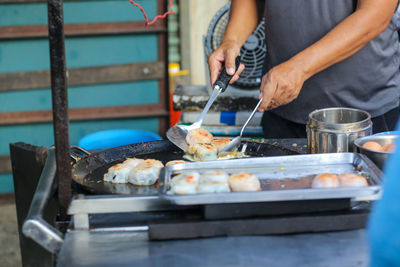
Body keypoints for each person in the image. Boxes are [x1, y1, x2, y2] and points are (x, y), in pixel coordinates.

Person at [208, 0, 400, 138]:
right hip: (283, 109)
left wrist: (298, 69)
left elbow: (375, 15)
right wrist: (232, 39)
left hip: (363, 113)